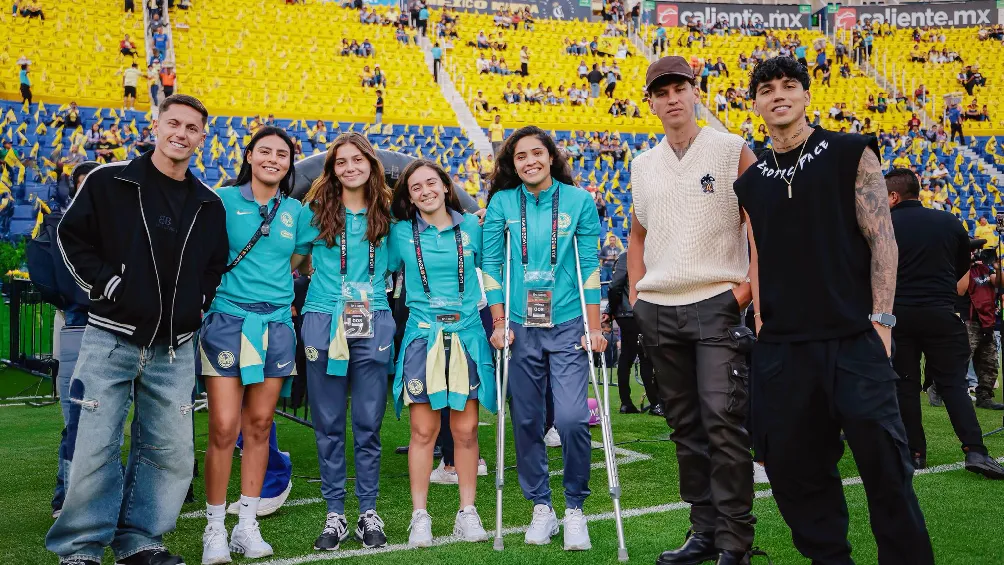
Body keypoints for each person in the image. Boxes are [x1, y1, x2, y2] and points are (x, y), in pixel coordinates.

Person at [734, 56, 934, 565]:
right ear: (755, 104)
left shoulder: (850, 151)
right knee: (792, 470)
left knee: (886, 466)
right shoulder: (751, 181)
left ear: (806, 95)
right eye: (766, 89)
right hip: (783, 348)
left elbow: (882, 239)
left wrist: (883, 320)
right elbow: (759, 255)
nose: (778, 94)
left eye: (789, 85)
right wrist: (761, 321)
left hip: (852, 338)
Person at [46, 94, 227, 565]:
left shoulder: (207, 203)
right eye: (174, 123)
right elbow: (70, 237)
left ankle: (140, 541)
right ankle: (80, 549)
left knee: (170, 453)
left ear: (202, 138)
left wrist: (197, 303)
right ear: (157, 125)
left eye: (192, 128)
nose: (181, 133)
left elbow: (214, 265)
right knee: (93, 447)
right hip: (111, 338)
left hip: (175, 349)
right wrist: (108, 284)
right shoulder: (111, 180)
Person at [627, 56, 756, 565]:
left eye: (679, 88)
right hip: (659, 308)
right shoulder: (642, 164)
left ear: (695, 91)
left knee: (723, 422)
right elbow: (637, 234)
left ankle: (735, 542)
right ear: (651, 103)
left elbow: (760, 225)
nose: (672, 98)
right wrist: (636, 296)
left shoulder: (730, 148)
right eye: (662, 92)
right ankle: (703, 531)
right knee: (684, 426)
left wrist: (745, 291)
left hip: (716, 302)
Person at [482, 126, 603, 551]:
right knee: (526, 421)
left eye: (537, 153)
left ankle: (575, 507)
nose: (530, 161)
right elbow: (492, 266)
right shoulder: (502, 203)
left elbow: (589, 265)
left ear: (551, 157)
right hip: (520, 327)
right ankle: (541, 507)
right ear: (512, 164)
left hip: (568, 324)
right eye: (520, 156)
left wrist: (596, 328)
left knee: (571, 418)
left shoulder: (578, 201)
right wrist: (499, 321)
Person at [198, 126, 305, 564]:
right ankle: (214, 528)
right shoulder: (222, 200)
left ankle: (246, 525)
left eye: (282, 154)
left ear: (289, 163)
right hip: (228, 320)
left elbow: (296, 259)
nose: (273, 159)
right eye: (265, 151)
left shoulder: (295, 210)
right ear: (249, 155)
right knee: (225, 427)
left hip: (276, 325)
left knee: (259, 426)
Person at [294, 133, 396, 551]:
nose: (350, 167)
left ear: (371, 164)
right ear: (332, 169)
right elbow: (293, 262)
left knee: (369, 424)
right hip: (323, 319)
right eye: (341, 162)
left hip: (373, 319)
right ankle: (334, 513)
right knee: (329, 423)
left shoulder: (390, 213)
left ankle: (368, 511)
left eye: (358, 160)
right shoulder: (314, 211)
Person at [388, 159, 496, 548]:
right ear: (409, 196)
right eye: (415, 187)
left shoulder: (473, 228)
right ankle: (420, 516)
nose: (425, 191)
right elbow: (373, 267)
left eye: (431, 183)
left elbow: (495, 271)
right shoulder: (401, 233)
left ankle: (467, 512)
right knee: (423, 430)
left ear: (446, 186)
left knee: (465, 431)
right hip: (423, 336)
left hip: (467, 336)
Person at [885, 167, 1004, 477]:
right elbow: (961, 271)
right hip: (942, 312)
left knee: (905, 386)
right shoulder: (949, 221)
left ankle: (915, 453)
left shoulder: (884, 223)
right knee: (954, 385)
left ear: (894, 196)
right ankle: (975, 451)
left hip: (899, 314)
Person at [606, 248, 660, 416]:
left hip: (627, 313)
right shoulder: (629, 256)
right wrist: (612, 309)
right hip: (634, 312)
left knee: (627, 356)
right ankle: (655, 403)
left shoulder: (629, 256)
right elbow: (615, 286)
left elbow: (615, 286)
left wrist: (611, 310)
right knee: (645, 357)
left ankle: (627, 403)